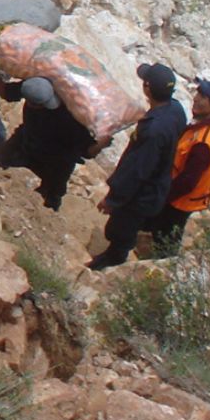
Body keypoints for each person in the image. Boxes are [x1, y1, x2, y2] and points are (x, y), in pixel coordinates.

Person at [89, 63, 188, 270]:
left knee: (119, 229)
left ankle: (113, 260)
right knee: (128, 225)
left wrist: (114, 199)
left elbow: (137, 170)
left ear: (147, 89)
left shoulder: (153, 130)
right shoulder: (176, 110)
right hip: (159, 184)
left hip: (142, 194)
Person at [141, 78, 210, 256]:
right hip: (189, 194)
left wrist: (162, 197)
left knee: (165, 235)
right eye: (198, 93)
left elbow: (187, 182)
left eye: (203, 97)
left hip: (180, 199)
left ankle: (162, 267)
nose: (196, 98)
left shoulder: (203, 144)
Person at [0, 76, 98, 211]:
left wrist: (101, 143)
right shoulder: (31, 88)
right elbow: (7, 92)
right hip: (27, 141)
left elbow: (87, 151)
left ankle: (45, 221)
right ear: (30, 102)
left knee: (50, 199)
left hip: (57, 159)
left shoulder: (71, 117)